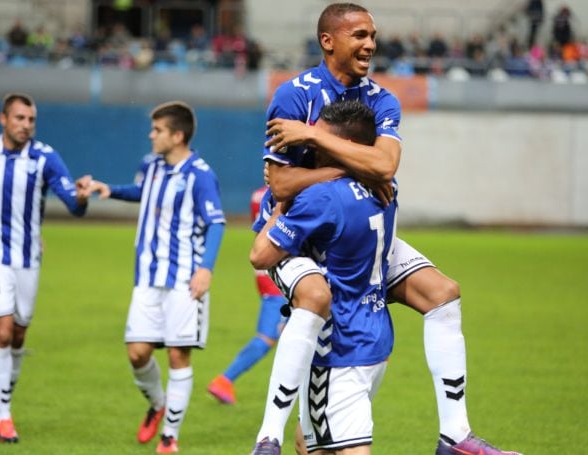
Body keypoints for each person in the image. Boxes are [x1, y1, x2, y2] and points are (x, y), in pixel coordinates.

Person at [252, 3, 520, 454]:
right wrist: (354, 171)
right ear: (328, 40)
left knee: (443, 293)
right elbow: (279, 183)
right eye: (359, 35)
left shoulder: (382, 98)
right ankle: (267, 438)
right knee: (317, 296)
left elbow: (387, 164)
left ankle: (455, 436)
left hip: (358, 228)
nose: (370, 44)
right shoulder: (293, 96)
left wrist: (316, 139)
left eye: (373, 35)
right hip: (297, 238)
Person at [78, 101, 225, 454]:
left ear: (177, 135)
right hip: (147, 277)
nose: (151, 134)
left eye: (157, 130)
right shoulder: (151, 165)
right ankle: (159, 404)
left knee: (177, 356)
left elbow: (216, 222)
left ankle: (169, 438)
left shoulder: (200, 173)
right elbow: (144, 193)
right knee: (137, 354)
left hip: (184, 280)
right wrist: (107, 189)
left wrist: (205, 269)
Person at [252, 100, 397, 455]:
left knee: (327, 446)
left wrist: (283, 203)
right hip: (377, 338)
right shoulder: (386, 189)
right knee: (310, 443)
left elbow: (261, 256)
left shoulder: (320, 197)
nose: (311, 148)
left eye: (319, 142)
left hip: (338, 349)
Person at [0, 93, 89, 443]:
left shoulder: (45, 157)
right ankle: (3, 416)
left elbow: (73, 206)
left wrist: (81, 197)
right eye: (19, 118)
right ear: (3, 119)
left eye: (31, 120)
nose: (26, 125)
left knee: (18, 335)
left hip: (28, 257)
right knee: (0, 331)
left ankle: (0, 400)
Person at [206, 186, 288, 405]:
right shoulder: (287, 193)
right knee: (268, 336)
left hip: (262, 269)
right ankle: (225, 379)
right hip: (279, 270)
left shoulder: (257, 195)